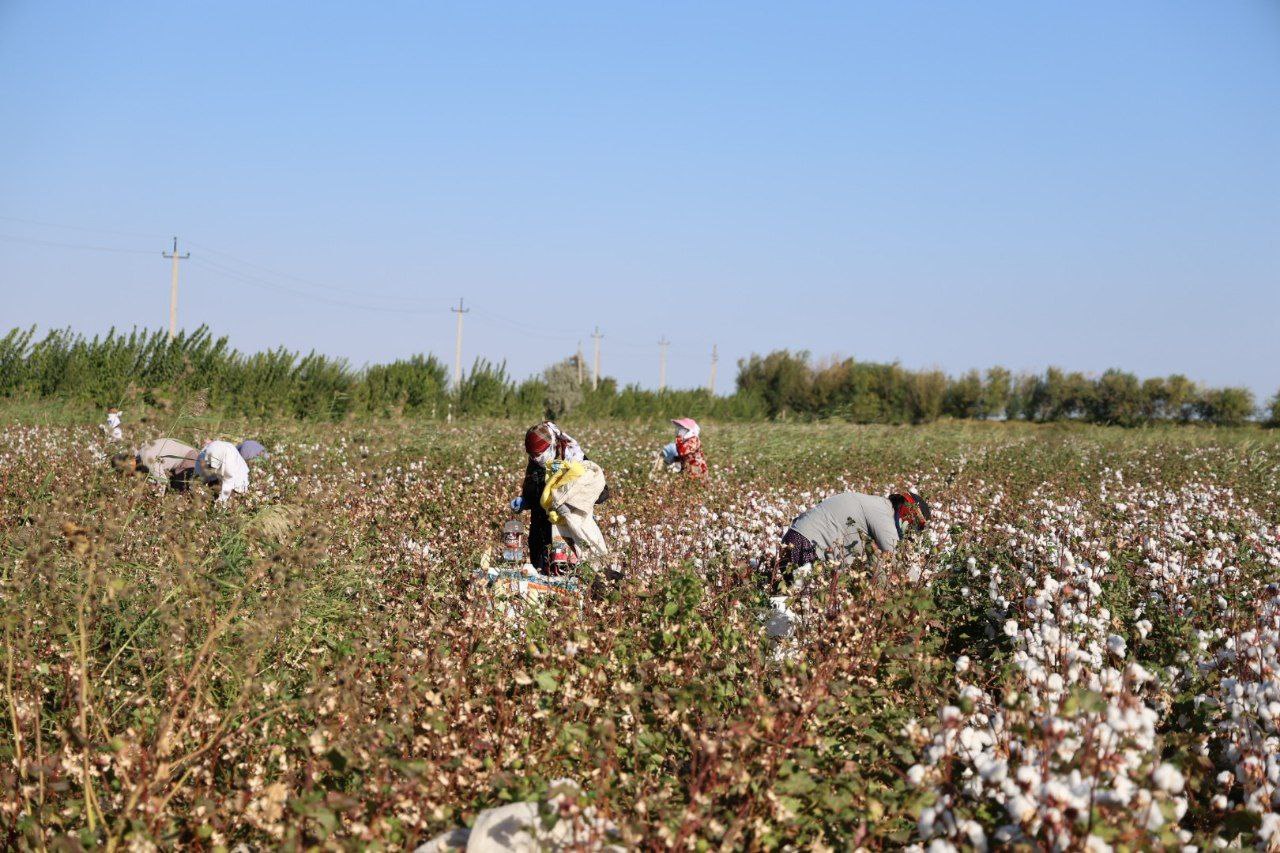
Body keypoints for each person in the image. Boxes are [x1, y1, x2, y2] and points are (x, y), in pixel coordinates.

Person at [510, 422, 608, 570]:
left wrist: (572, 503)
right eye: (531, 455)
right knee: (542, 573)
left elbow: (602, 492)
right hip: (541, 530)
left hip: (570, 531)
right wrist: (525, 501)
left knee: (572, 572)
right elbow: (532, 492)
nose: (535, 459)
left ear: (551, 445)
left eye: (537, 455)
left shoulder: (576, 459)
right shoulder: (535, 464)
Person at [779, 490, 931, 582]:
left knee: (798, 608)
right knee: (809, 612)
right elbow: (896, 559)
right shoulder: (883, 514)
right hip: (806, 547)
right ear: (908, 515)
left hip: (792, 541)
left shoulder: (876, 504)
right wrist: (922, 587)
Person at [111, 437, 200, 490]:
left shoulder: (146, 459)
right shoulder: (140, 454)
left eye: (124, 472)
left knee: (179, 490)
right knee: (174, 487)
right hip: (184, 457)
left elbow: (163, 482)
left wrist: (158, 504)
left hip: (189, 458)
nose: (127, 476)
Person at [194, 439, 251, 503]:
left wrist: (220, 502)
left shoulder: (230, 459)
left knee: (236, 493)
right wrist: (197, 483)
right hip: (218, 468)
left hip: (236, 473)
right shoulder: (205, 453)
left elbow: (228, 483)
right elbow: (198, 470)